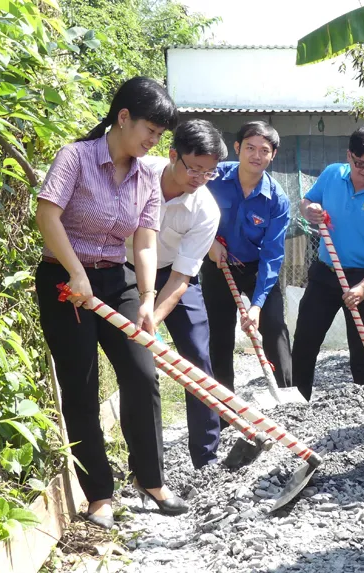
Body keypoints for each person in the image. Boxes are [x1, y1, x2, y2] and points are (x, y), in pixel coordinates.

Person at [35, 77, 188, 529]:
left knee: (143, 375)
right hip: (65, 281)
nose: (153, 141)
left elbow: (144, 241)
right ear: (123, 117)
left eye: (160, 136)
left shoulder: (146, 177)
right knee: (81, 387)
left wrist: (145, 298)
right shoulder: (76, 158)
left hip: (116, 281)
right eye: (150, 131)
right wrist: (76, 273)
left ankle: (151, 479)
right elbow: (48, 214)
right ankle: (99, 493)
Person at [125, 119, 227, 469]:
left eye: (209, 172)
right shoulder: (137, 174)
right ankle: (139, 461)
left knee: (197, 356)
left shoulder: (206, 210)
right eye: (194, 168)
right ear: (172, 155)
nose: (200, 178)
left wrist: (151, 315)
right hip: (121, 267)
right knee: (134, 363)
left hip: (174, 276)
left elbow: (182, 277)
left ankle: (207, 455)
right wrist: (140, 298)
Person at [292, 127, 364, 400]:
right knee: (306, 340)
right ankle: (296, 398)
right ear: (349, 156)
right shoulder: (332, 174)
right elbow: (305, 202)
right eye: (361, 163)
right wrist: (310, 211)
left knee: (363, 349)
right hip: (325, 274)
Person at [201, 121, 293, 401]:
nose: (256, 155)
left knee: (274, 326)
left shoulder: (277, 199)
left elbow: (272, 254)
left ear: (272, 155)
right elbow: (190, 207)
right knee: (219, 336)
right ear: (237, 148)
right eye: (250, 147)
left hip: (256, 271)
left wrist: (256, 305)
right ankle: (224, 405)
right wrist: (208, 242)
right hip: (216, 263)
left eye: (264, 150)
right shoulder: (213, 177)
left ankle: (288, 398)